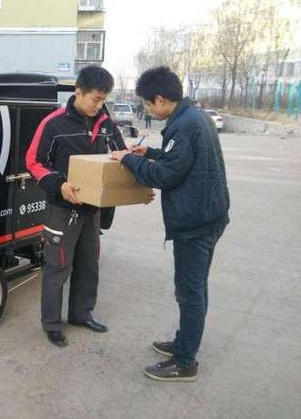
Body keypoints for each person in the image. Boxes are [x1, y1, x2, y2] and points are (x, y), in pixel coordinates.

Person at [110, 66, 230, 381]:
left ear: (161, 99)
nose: (148, 110)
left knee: (190, 292)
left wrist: (129, 159)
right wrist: (150, 151)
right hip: (210, 214)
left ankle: (185, 361)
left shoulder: (184, 125)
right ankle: (184, 342)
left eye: (148, 104)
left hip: (195, 221)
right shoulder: (195, 117)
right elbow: (181, 159)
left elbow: (166, 176)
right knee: (196, 286)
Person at [25, 66, 126, 348]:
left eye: (103, 100)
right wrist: (59, 185)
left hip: (92, 210)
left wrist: (131, 162)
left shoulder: (106, 124)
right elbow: (33, 161)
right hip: (62, 208)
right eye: (95, 99)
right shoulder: (54, 124)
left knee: (88, 264)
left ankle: (81, 314)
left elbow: (121, 155)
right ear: (78, 93)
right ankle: (52, 324)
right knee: (58, 267)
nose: (99, 105)